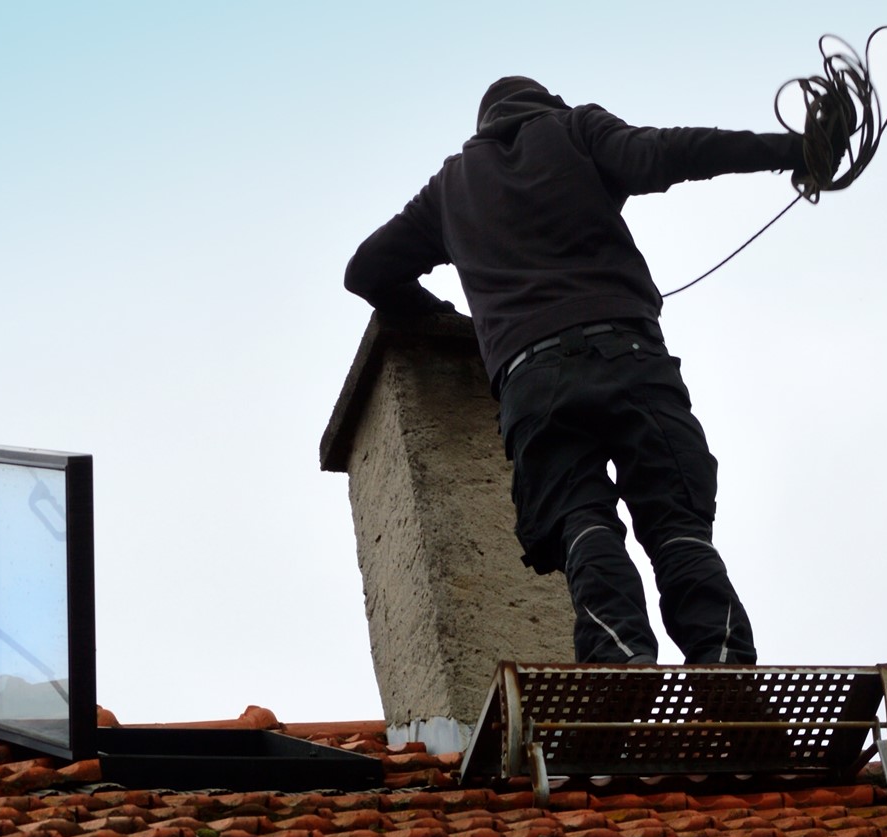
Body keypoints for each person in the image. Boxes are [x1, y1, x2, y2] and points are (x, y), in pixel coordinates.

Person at [343, 76, 810, 665]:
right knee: (675, 525)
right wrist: (791, 150)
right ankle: (725, 669)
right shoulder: (576, 129)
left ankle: (618, 663)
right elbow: (673, 151)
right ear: (550, 103)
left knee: (582, 523)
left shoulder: (450, 187)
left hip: (531, 383)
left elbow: (366, 272)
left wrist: (440, 315)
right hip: (629, 358)